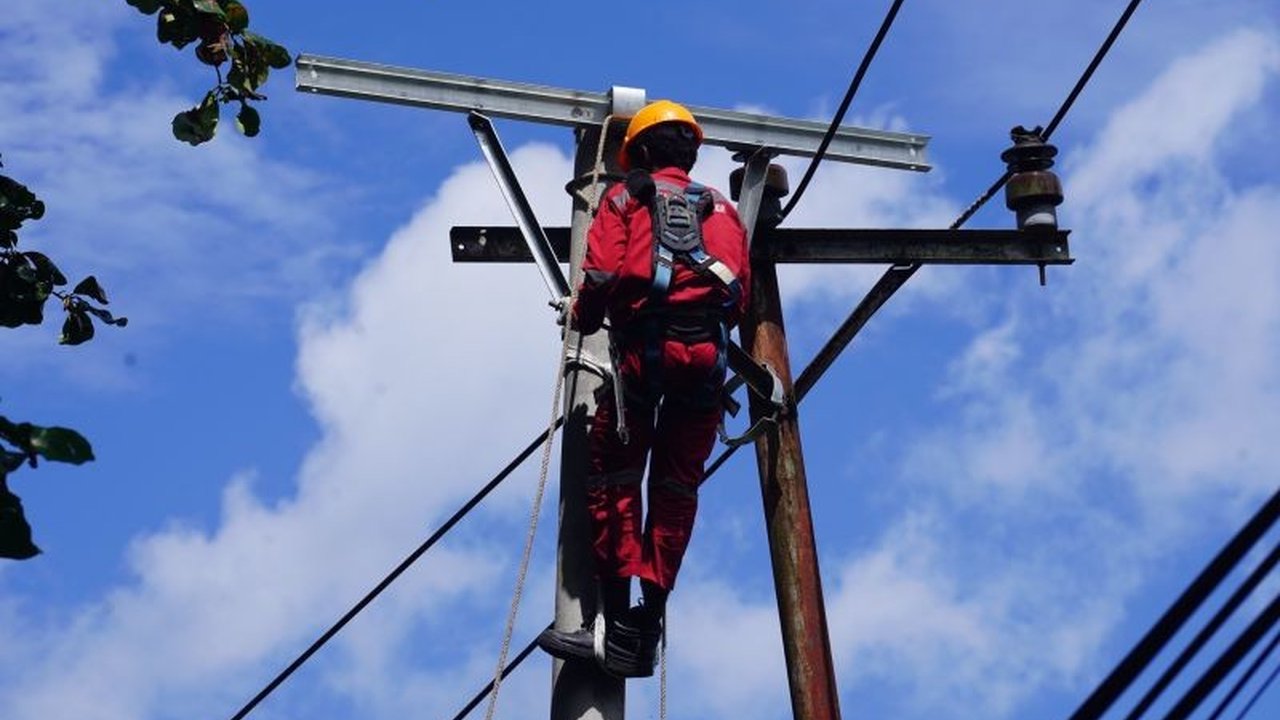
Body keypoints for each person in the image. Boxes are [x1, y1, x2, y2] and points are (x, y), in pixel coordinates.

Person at [537, 100, 751, 678]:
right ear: (691, 151)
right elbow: (741, 297)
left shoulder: (624, 197)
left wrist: (580, 318)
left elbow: (602, 275)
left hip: (639, 365)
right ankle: (649, 623)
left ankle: (610, 620)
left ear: (642, 152)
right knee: (677, 488)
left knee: (613, 475)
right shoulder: (724, 211)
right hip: (705, 363)